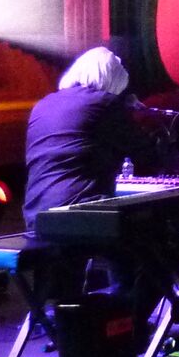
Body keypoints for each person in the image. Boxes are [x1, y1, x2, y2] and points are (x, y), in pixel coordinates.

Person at [21, 47, 143, 228]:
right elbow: (142, 149)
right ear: (111, 81)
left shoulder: (43, 105)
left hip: (36, 215)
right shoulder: (105, 103)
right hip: (81, 213)